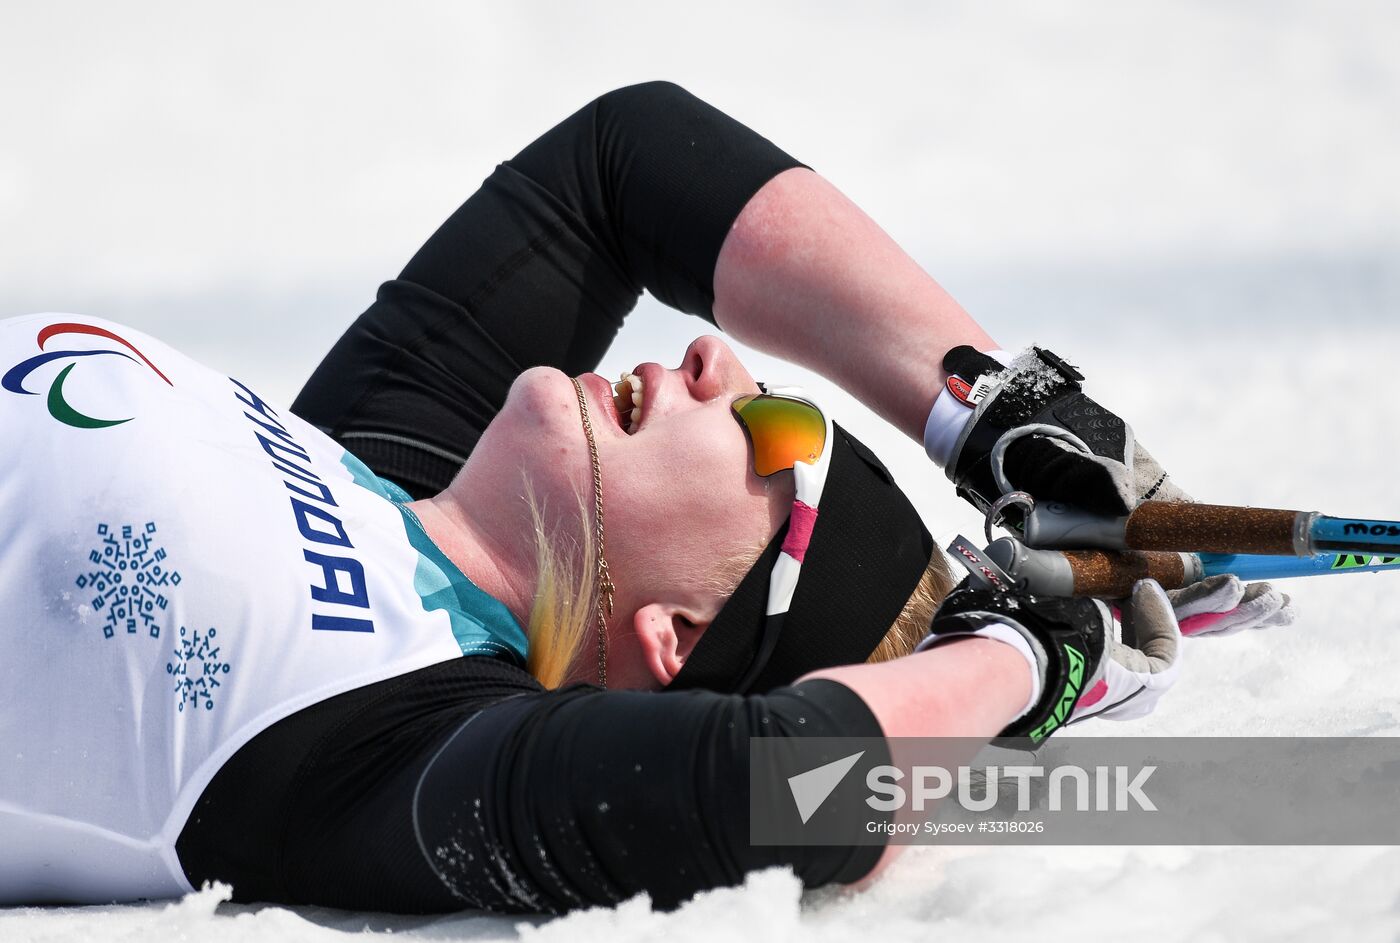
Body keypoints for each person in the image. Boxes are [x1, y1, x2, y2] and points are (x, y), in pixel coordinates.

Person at [0, 82, 1291, 914]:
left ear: (674, 636)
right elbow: (627, 161)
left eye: (774, 433)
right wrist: (992, 410)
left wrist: (1018, 654)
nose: (722, 363)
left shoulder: (403, 746)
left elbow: (775, 784)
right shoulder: (378, 472)